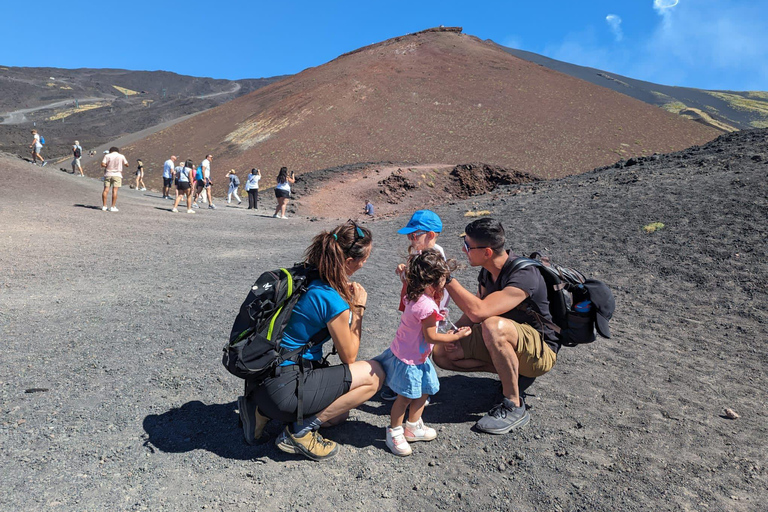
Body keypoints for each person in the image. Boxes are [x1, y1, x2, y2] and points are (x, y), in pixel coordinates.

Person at [238, 220, 384, 461]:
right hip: (285, 387)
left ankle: (259, 410)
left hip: (264, 379)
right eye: (363, 258)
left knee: (337, 416)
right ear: (348, 262)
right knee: (374, 374)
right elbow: (349, 356)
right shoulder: (330, 298)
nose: (365, 262)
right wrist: (357, 309)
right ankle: (298, 433)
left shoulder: (306, 275)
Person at [431, 218, 559, 434]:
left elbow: (479, 312)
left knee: (492, 325)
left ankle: (514, 404)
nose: (464, 251)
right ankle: (513, 375)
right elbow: (472, 315)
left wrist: (447, 279)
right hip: (508, 341)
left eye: (468, 247)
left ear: (487, 252)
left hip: (540, 352)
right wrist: (453, 335)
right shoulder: (487, 273)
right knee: (441, 352)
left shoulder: (524, 275)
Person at [374, 250, 471, 456]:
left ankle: (413, 425)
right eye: (443, 278)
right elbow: (431, 337)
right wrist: (456, 337)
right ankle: (395, 431)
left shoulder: (415, 294)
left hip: (414, 356)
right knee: (405, 397)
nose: (445, 282)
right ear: (432, 281)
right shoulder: (427, 306)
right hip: (411, 360)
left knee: (424, 389)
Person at [380, 209, 449, 401]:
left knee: (420, 349)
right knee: (410, 345)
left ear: (431, 235)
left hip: (427, 312)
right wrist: (403, 271)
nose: (411, 239)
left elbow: (436, 287)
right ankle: (404, 384)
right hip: (417, 310)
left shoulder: (435, 256)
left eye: (414, 235)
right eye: (409, 236)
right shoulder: (421, 253)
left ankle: (418, 389)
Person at [100, 147, 129, 212]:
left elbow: (102, 164)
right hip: (117, 174)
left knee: (106, 190)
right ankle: (113, 207)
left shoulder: (107, 156)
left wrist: (107, 165)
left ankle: (104, 206)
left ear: (111, 151)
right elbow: (127, 164)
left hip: (108, 173)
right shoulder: (121, 156)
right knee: (115, 190)